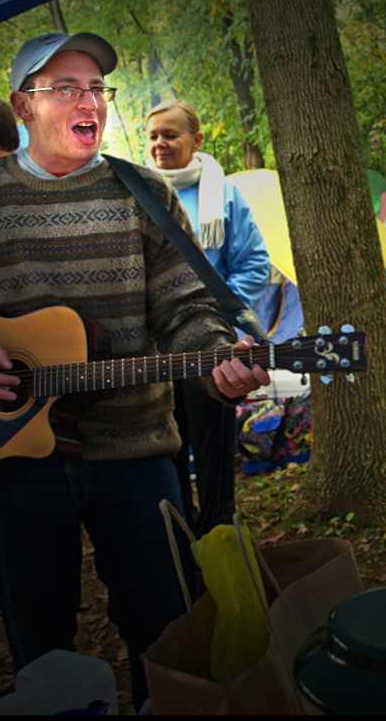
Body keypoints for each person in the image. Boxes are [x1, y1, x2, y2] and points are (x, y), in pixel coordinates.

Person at [0, 32, 270, 713]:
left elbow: (190, 312)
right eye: (67, 88)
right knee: (43, 656)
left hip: (138, 456)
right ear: (22, 106)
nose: (89, 101)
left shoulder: (142, 194)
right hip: (5, 465)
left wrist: (217, 364)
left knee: (170, 633)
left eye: (96, 89)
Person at [146, 99, 270, 538]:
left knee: (214, 455)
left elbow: (254, 263)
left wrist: (208, 321)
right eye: (154, 135)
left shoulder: (225, 195)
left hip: (209, 349)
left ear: (196, 140)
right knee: (165, 455)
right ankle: (179, 542)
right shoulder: (134, 192)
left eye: (170, 134)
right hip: (150, 358)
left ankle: (220, 541)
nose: (160, 143)